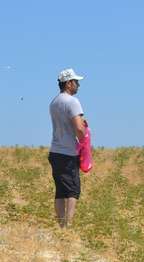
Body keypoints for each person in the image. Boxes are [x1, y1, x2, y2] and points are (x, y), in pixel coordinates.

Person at [48, 69, 89, 229]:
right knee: (73, 190)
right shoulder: (73, 101)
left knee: (60, 190)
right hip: (68, 152)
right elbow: (79, 129)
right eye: (76, 81)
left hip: (55, 151)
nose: (78, 85)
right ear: (68, 83)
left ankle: (61, 225)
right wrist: (84, 140)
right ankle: (69, 225)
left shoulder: (54, 102)